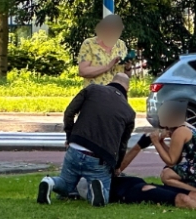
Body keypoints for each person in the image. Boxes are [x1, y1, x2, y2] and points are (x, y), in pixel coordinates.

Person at [37, 72, 137, 207]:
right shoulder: (129, 113)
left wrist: (70, 137)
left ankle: (49, 183)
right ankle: (96, 189)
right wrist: (117, 166)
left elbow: (69, 112)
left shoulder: (92, 89)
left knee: (66, 185)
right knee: (105, 195)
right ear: (127, 89)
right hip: (100, 158)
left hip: (76, 148)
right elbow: (122, 145)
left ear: (111, 81)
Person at [75, 172, 196, 213]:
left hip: (143, 181)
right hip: (134, 190)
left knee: (195, 194)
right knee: (181, 199)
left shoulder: (103, 169)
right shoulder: (86, 184)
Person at [77, 14, 131, 87]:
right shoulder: (89, 44)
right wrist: (107, 66)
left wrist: (128, 68)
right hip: (95, 93)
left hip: (116, 93)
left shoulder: (121, 44)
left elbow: (127, 76)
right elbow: (83, 71)